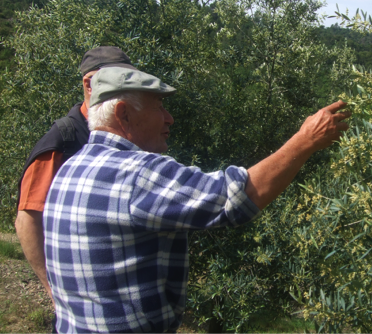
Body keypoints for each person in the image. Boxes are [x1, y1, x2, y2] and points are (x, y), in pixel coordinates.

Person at [43, 67, 351, 334]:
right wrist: (306, 140)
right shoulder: (136, 173)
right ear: (123, 114)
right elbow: (235, 198)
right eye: (159, 107)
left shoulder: (71, 168)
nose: (169, 118)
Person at [14, 46, 137, 308]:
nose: (126, 88)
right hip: (77, 304)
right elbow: (27, 219)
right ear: (89, 84)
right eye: (117, 80)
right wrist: (53, 290)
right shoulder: (63, 141)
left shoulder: (121, 134)